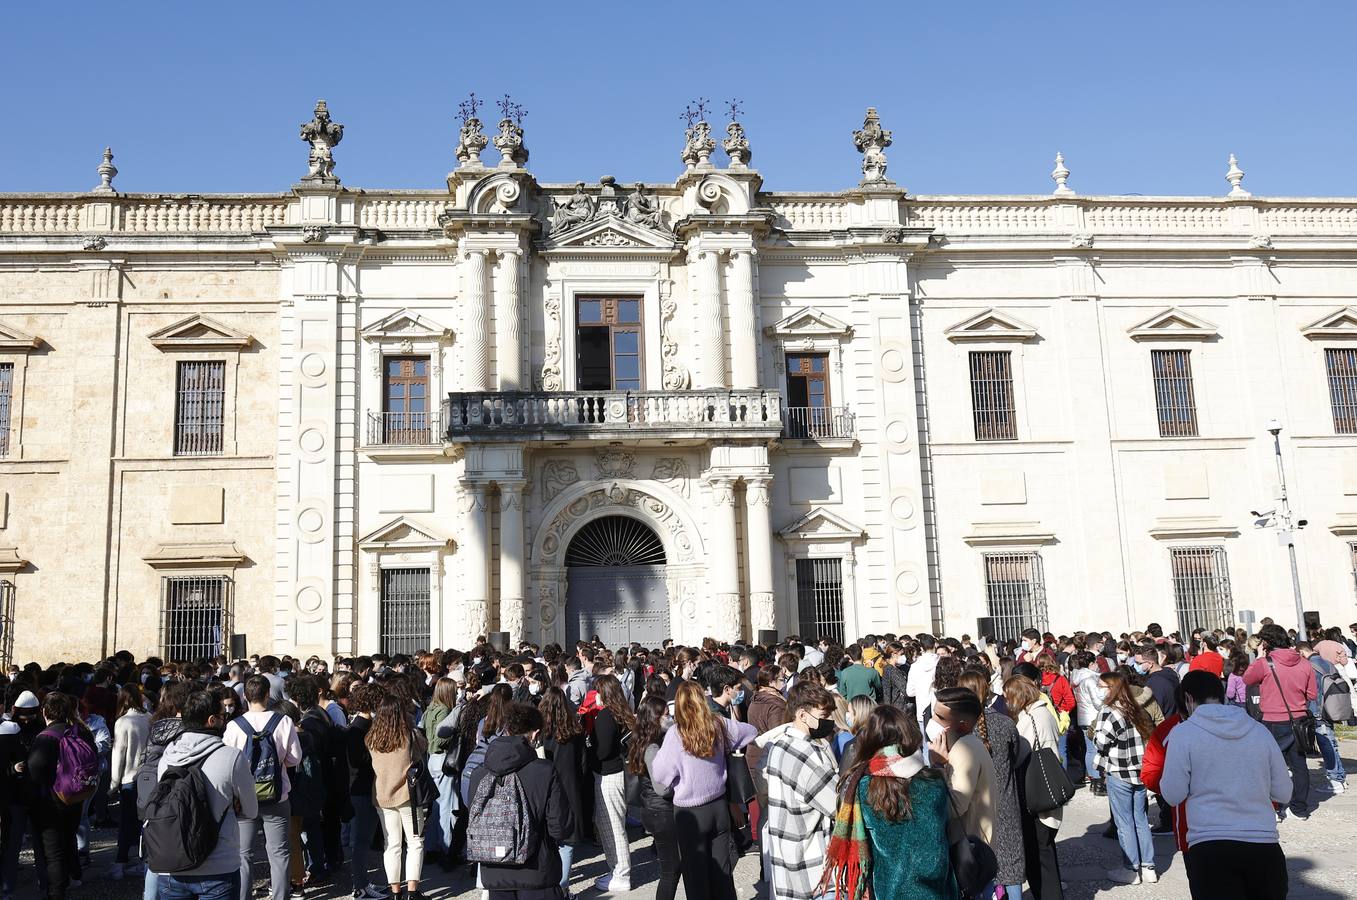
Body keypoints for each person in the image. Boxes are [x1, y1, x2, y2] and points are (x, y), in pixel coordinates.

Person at [1159, 671, 1292, 899]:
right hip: (1262, 844)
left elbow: (1172, 794)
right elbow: (1284, 791)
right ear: (1221, 694)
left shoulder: (1183, 734)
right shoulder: (1259, 731)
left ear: (1189, 699)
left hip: (1210, 845)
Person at [821, 704, 957, 900]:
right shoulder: (934, 782)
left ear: (869, 741)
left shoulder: (862, 788)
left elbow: (862, 853)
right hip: (939, 891)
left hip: (890, 891)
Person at [651, 681, 757, 900]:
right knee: (723, 874)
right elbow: (750, 732)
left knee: (696, 878)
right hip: (718, 806)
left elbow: (660, 776)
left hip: (690, 813)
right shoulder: (717, 724)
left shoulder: (675, 734)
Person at [154, 690, 258, 900]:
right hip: (218, 864)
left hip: (173, 861)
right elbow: (251, 810)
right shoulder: (232, 757)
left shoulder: (168, 755)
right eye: (223, 715)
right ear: (212, 720)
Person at [467, 702, 576, 900]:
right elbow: (560, 827)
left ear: (507, 729)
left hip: (494, 872)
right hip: (537, 871)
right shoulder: (544, 771)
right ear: (535, 734)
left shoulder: (479, 774)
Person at [221, 674, 300, 900]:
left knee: (243, 854)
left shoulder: (234, 726)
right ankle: (280, 896)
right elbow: (294, 758)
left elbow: (228, 762)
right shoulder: (283, 721)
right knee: (279, 853)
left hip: (244, 797)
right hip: (277, 795)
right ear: (268, 695)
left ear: (245, 697)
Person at [762, 682, 839, 900]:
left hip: (790, 856)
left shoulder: (780, 744)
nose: (829, 721)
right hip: (812, 866)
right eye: (824, 714)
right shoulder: (805, 755)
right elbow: (839, 803)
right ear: (803, 715)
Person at [957, 669, 1024, 900]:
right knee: (1011, 867)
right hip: (1005, 801)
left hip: (976, 806)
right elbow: (1016, 754)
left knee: (980, 868)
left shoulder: (959, 730)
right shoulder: (1005, 723)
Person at [25, 692, 97, 900]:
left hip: (50, 800)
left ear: (45, 711)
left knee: (53, 851)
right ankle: (69, 879)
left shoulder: (46, 736)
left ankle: (56, 893)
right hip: (75, 797)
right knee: (67, 841)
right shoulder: (80, 731)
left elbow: (35, 769)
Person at [1242, 623, 1316, 821]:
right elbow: (1312, 694)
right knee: (1299, 765)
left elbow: (1247, 679)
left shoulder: (1264, 663)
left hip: (1272, 721)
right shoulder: (1304, 663)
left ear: (1265, 642)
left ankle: (1273, 807)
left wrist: (1258, 656)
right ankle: (1299, 808)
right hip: (1299, 720)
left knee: (1269, 766)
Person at [1092, 671, 1156, 886]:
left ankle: (1131, 868)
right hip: (1139, 771)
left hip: (1119, 771)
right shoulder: (1135, 708)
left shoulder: (1112, 711)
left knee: (1124, 822)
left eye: (1102, 686)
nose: (1099, 689)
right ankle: (1148, 866)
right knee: (1140, 820)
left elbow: (1100, 740)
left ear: (1111, 688)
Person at [367, 692, 428, 900]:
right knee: (415, 841)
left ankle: (395, 892)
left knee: (391, 844)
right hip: (407, 794)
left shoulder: (371, 738)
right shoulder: (408, 735)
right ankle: (412, 891)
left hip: (382, 794)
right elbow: (423, 749)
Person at [586, 674, 635, 894]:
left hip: (608, 775)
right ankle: (616, 869)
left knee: (612, 825)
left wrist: (588, 750)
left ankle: (621, 872)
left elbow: (603, 751)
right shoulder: (618, 712)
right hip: (615, 773)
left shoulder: (606, 716)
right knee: (612, 823)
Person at [628, 695, 680, 900]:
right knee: (671, 871)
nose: (670, 719)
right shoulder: (652, 747)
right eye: (666, 716)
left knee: (673, 868)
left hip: (655, 809)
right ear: (655, 717)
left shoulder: (644, 740)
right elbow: (662, 788)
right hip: (662, 811)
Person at [539, 687, 588, 895]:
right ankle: (563, 888)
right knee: (567, 842)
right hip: (569, 789)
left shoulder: (539, 731)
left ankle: (549, 884)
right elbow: (583, 765)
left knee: (546, 839)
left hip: (543, 790)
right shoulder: (574, 732)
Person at [345, 683, 386, 899]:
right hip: (361, 791)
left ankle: (363, 882)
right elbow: (356, 761)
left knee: (364, 839)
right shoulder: (357, 729)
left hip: (365, 789)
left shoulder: (363, 726)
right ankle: (360, 886)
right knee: (361, 841)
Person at [108, 684, 150, 881]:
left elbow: (119, 753)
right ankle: (144, 861)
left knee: (126, 822)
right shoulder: (150, 718)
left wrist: (113, 783)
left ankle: (120, 862)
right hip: (149, 777)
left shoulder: (123, 722)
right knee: (145, 821)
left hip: (129, 778)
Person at [1298, 642, 1347, 794]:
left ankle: (1335, 780)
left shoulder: (1310, 666)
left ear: (1301, 653)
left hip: (1319, 711)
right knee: (1332, 743)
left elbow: (1313, 692)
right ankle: (1340, 777)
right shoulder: (1327, 663)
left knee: (1327, 744)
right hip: (1331, 707)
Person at [421, 677, 458, 865]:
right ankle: (446, 847)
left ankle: (431, 846)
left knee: (436, 804)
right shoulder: (445, 710)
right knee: (446, 805)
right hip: (443, 757)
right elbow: (441, 738)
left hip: (432, 759)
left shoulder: (431, 708)